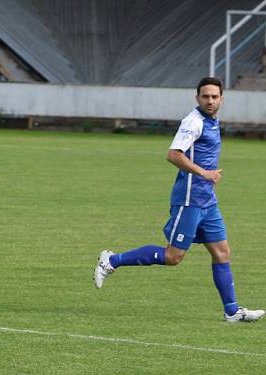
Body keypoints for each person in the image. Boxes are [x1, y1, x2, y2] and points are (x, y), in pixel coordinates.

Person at [94, 77, 263, 323]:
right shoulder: (193, 122)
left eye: (215, 96)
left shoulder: (213, 121)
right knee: (173, 257)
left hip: (208, 201)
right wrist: (205, 173)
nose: (210, 100)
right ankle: (112, 260)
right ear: (197, 98)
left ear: (221, 99)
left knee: (222, 253)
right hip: (189, 200)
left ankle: (232, 311)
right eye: (205, 96)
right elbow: (173, 155)